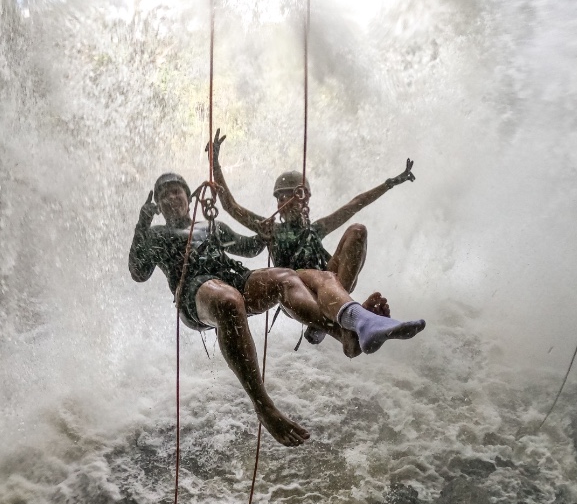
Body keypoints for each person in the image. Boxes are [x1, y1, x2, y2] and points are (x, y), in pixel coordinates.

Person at [129, 173, 426, 447]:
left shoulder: (213, 226)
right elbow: (138, 272)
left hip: (234, 276)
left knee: (285, 276)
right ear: (158, 204)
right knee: (229, 301)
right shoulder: (156, 236)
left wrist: (263, 233)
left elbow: (249, 249)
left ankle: (347, 335)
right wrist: (141, 225)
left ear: (188, 196)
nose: (172, 198)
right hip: (196, 290)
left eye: (177, 192)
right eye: (164, 195)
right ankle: (265, 407)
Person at [208, 129, 415, 344]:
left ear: (304, 199)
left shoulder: (317, 229)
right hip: (296, 294)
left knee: (357, 230)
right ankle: (337, 316)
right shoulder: (271, 230)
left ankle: (337, 313)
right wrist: (215, 163)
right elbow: (230, 206)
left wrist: (391, 182)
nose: (282, 202)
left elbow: (355, 204)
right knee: (308, 274)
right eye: (279, 198)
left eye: (289, 196)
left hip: (329, 284)